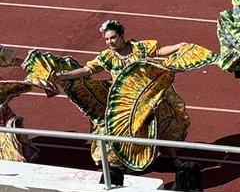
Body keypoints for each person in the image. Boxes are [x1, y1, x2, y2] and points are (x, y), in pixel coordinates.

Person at [35, 20, 214, 172]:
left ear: (122, 36)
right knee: (120, 130)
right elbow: (88, 69)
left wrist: (178, 46)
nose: (110, 42)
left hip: (146, 96)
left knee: (160, 123)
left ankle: (174, 158)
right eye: (107, 39)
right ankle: (127, 160)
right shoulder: (107, 57)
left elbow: (158, 52)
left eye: (113, 38)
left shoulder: (139, 48)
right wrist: (65, 76)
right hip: (124, 102)